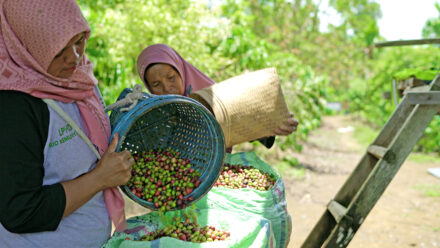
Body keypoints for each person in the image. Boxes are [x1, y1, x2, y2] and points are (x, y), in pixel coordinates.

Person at [0, 1, 134, 247]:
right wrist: (99, 179)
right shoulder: (14, 107)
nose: (73, 57)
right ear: (27, 47)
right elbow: (20, 211)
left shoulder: (78, 80)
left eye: (78, 41)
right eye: (58, 49)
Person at [136, 43, 299, 148]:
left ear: (181, 72)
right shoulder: (151, 116)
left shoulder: (210, 96)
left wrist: (272, 126)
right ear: (148, 86)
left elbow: (240, 118)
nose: (167, 88)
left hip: (218, 182)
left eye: (171, 78)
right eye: (156, 84)